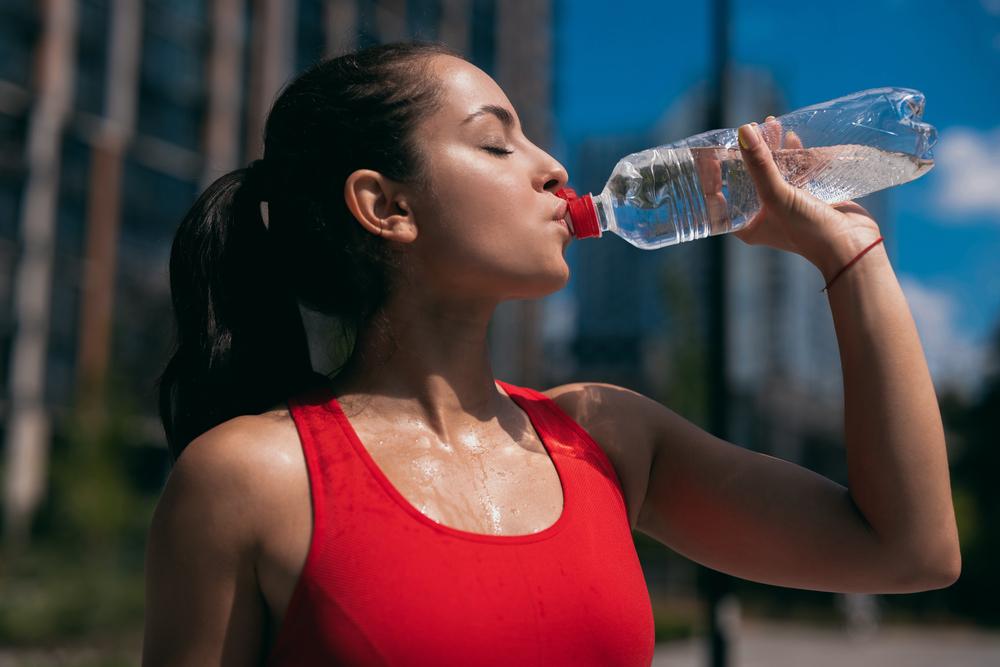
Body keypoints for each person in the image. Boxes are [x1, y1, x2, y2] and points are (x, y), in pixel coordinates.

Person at [141, 41, 961, 666]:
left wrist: (852, 255)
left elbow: (909, 550)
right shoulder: (249, 479)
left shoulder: (604, 436)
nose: (554, 167)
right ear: (385, 205)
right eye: (497, 144)